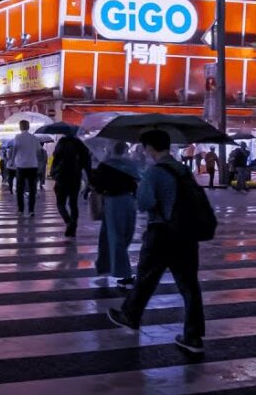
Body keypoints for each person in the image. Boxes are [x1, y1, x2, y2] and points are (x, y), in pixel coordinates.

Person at [108, 129, 206, 355]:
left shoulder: (153, 172)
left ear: (150, 148)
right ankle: (193, 336)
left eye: (145, 147)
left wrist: (140, 188)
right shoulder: (182, 169)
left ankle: (130, 316)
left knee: (145, 278)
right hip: (186, 234)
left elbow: (144, 203)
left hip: (161, 232)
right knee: (189, 285)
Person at [89, 141, 140, 288]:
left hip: (113, 202)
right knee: (118, 235)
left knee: (114, 236)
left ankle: (123, 273)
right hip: (129, 201)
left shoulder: (106, 165)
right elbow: (136, 182)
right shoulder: (131, 164)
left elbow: (98, 186)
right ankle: (105, 265)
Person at [51, 132, 92, 237]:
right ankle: (74, 225)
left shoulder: (61, 143)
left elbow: (55, 157)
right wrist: (90, 176)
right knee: (73, 203)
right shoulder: (80, 144)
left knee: (60, 203)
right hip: (75, 177)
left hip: (62, 177)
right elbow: (86, 161)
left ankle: (68, 221)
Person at [10, 120, 43, 216]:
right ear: (28, 127)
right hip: (33, 166)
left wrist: (12, 161)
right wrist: (39, 164)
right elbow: (39, 151)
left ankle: (20, 210)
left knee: (20, 189)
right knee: (32, 189)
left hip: (21, 166)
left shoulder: (18, 137)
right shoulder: (34, 138)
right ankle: (31, 210)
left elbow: (15, 149)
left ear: (20, 127)